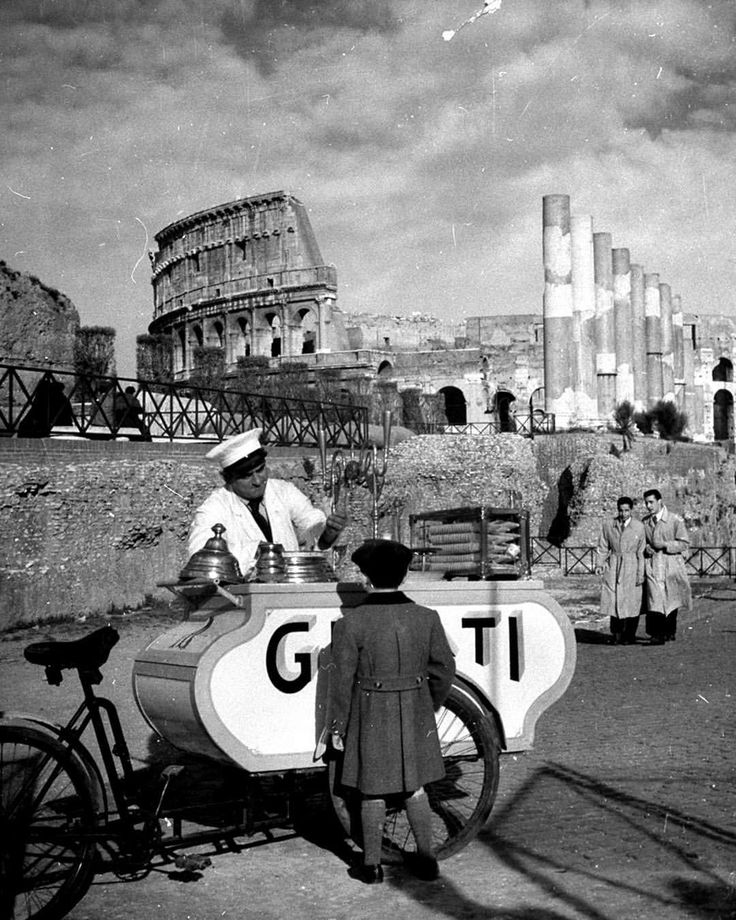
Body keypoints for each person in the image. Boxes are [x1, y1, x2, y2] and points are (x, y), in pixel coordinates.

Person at [326, 539, 456, 884]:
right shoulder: (427, 618)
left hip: (371, 711)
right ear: (405, 576)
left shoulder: (350, 624)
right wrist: (428, 704)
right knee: (415, 787)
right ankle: (427, 860)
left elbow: (341, 683)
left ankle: (370, 866)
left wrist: (338, 727)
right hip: (415, 709)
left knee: (372, 789)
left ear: (366, 578)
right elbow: (444, 670)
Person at [188, 428, 346, 576]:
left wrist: (328, 532)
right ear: (229, 479)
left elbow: (311, 522)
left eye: (261, 470)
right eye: (247, 476)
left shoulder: (283, 491)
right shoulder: (214, 507)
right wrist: (256, 551)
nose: (258, 481)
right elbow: (199, 555)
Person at [641, 488, 692, 644]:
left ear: (659, 501)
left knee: (671, 598)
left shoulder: (674, 520)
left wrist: (665, 544)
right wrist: (646, 548)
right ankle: (656, 634)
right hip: (654, 564)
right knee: (654, 599)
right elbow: (642, 542)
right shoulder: (645, 522)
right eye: (646, 503)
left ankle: (669, 630)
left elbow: (684, 544)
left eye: (651, 502)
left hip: (671, 564)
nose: (648, 506)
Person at [594, 496, 646, 645]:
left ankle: (629, 635)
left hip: (631, 565)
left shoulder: (639, 527)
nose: (623, 514)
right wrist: (599, 564)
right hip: (614, 565)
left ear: (631, 510)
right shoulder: (609, 525)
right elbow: (603, 547)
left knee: (632, 601)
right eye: (621, 511)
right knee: (614, 600)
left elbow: (641, 552)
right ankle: (616, 634)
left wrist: (640, 573)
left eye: (627, 510)